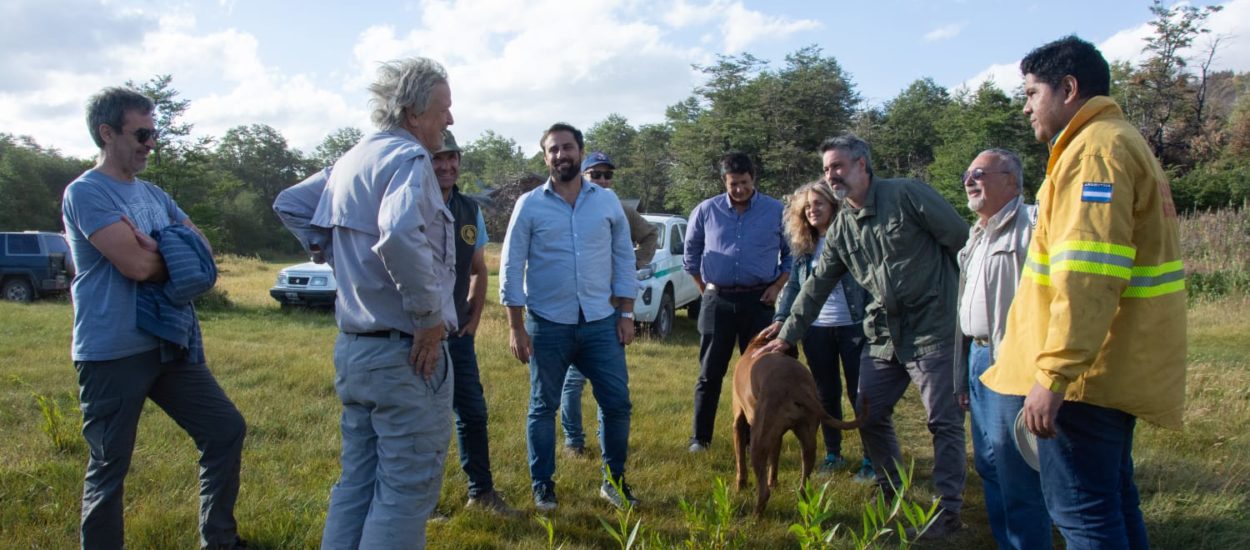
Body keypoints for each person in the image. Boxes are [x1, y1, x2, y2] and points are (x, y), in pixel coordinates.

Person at [982, 35, 1187, 549]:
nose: (1026, 106)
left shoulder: (1093, 152)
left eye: (1031, 92)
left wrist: (1054, 375)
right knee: (1112, 504)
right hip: (1106, 367)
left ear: (1068, 88)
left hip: (1084, 379)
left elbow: (1088, 276)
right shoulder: (1117, 141)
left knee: (1084, 518)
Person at [276, 57, 457, 550]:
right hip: (404, 354)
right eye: (443, 108)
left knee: (357, 483)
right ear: (412, 111)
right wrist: (427, 321)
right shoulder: (409, 159)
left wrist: (332, 248)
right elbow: (400, 234)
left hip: (355, 349)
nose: (450, 120)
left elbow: (290, 203)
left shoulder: (351, 160)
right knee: (404, 491)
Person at [757, 134, 969, 538]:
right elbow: (816, 285)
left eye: (837, 166)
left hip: (933, 330)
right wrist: (787, 335)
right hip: (884, 335)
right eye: (826, 169)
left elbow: (962, 243)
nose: (830, 175)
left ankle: (948, 513)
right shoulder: (841, 230)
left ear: (861, 165)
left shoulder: (907, 195)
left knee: (943, 422)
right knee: (868, 412)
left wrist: (973, 312)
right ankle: (891, 491)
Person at [62, 86, 247, 550]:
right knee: (110, 466)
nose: (151, 143)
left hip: (169, 340)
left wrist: (160, 245)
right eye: (141, 133)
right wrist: (172, 248)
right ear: (107, 133)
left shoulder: (154, 194)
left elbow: (204, 255)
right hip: (112, 349)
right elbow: (136, 266)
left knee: (225, 429)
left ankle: (219, 540)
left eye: (154, 132)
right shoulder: (85, 192)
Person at [500, 123, 640, 511]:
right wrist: (515, 326)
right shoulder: (528, 204)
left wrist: (626, 311)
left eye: (567, 148)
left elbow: (623, 257)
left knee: (617, 404)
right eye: (553, 150)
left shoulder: (606, 202)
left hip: (601, 320)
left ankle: (613, 482)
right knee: (543, 408)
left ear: (580, 151)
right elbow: (511, 266)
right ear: (545, 156)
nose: (561, 155)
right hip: (547, 323)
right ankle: (543, 485)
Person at [952, 149, 1050, 549]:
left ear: (1012, 179)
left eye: (979, 173)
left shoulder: (1032, 226)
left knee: (1018, 469)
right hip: (978, 359)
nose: (969, 181)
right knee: (990, 466)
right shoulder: (976, 234)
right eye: (966, 174)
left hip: (1012, 361)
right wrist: (962, 375)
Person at [760, 180, 873, 479]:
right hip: (816, 329)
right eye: (807, 207)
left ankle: (870, 459)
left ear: (834, 206)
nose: (812, 211)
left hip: (854, 326)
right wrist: (782, 318)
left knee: (860, 392)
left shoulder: (853, 238)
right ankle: (833, 453)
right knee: (825, 394)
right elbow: (797, 287)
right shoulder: (805, 247)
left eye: (819, 204)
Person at [431, 129, 517, 514]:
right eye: (438, 158)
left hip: (457, 334)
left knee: (473, 413)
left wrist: (474, 316)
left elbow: (480, 269)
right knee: (424, 419)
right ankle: (420, 501)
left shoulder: (469, 210)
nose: (447, 165)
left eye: (452, 158)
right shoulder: (410, 203)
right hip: (417, 332)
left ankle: (481, 494)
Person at [683, 152, 791, 453]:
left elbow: (792, 254)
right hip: (718, 300)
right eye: (733, 184)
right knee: (710, 372)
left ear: (753, 178)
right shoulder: (706, 210)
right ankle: (700, 438)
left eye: (744, 182)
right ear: (724, 181)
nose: (739, 189)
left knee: (760, 374)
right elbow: (690, 255)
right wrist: (705, 289)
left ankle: (756, 436)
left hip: (759, 301)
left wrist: (778, 285)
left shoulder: (775, 211)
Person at [559, 150, 659, 456]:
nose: (603, 180)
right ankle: (574, 440)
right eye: (595, 174)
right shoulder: (568, 204)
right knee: (572, 380)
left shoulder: (619, 207)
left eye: (607, 175)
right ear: (582, 175)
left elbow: (650, 235)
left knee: (608, 381)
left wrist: (632, 265)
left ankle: (607, 442)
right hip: (573, 309)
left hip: (613, 307)